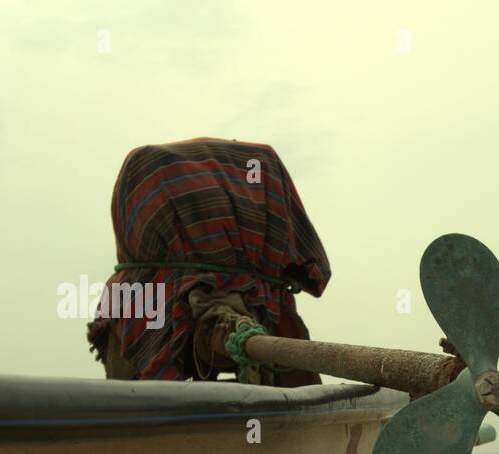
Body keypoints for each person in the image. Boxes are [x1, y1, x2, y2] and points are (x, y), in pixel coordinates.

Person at [86, 138, 327, 385]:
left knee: (135, 396)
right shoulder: (139, 295)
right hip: (178, 282)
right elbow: (307, 263)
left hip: (159, 284)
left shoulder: (133, 299)